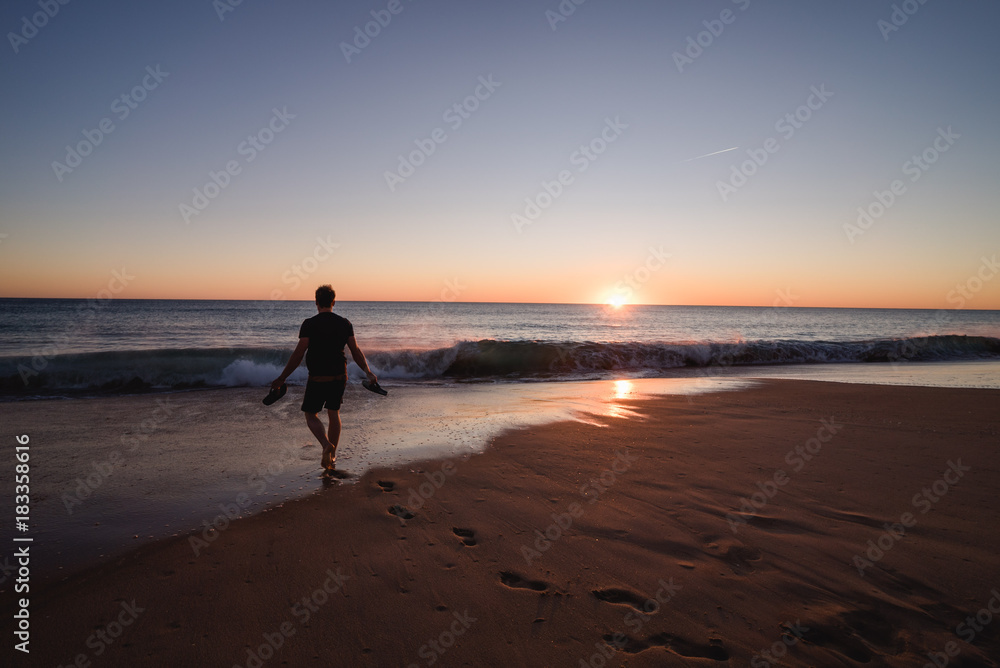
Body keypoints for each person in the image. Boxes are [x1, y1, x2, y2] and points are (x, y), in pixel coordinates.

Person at [271, 285, 377, 471]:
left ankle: (326, 444)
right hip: (339, 376)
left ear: (316, 302)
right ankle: (333, 456)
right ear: (333, 302)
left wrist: (282, 377)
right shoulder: (345, 323)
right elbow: (356, 351)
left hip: (318, 377)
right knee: (333, 412)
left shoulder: (309, 324)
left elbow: (298, 354)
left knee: (311, 414)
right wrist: (368, 372)